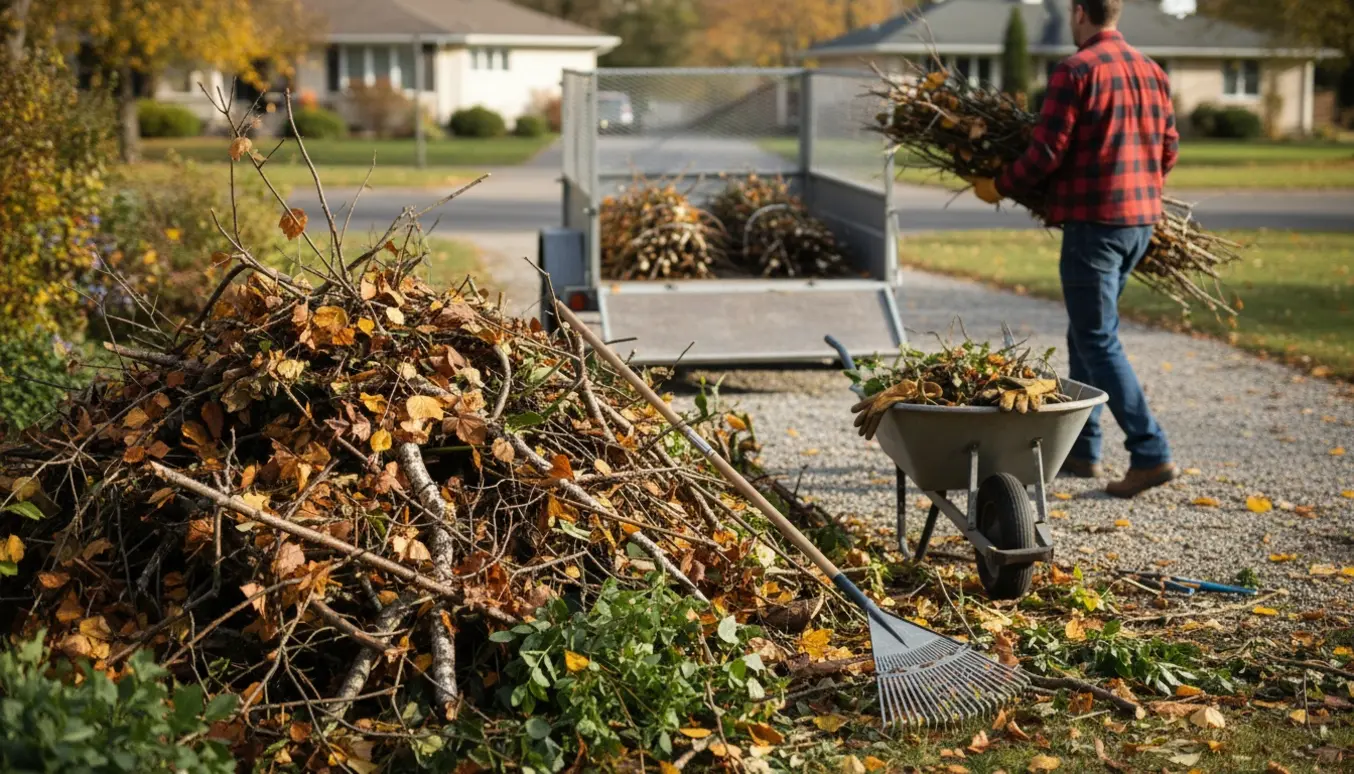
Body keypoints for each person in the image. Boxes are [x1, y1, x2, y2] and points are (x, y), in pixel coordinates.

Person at [968, 0, 1179, 498]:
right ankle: (1083, 450)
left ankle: (1151, 451)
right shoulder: (1151, 70)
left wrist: (1001, 183)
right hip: (1139, 224)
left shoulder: (1076, 70)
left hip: (1095, 225)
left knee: (1097, 338)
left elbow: (1045, 151)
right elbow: (1168, 148)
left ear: (1080, 11)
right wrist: (1141, 189)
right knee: (1085, 333)